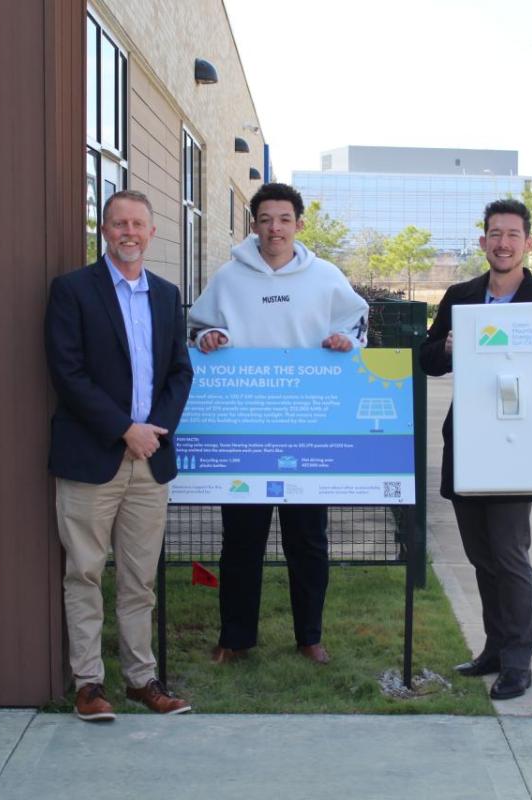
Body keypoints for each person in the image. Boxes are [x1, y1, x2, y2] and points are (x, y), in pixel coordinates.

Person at [188, 182, 369, 666]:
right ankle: (235, 638)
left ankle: (309, 635)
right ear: (254, 224)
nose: (275, 229)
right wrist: (209, 337)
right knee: (240, 542)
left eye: (284, 219)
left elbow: (358, 327)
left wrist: (344, 342)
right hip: (245, 432)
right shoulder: (228, 278)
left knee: (307, 541)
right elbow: (199, 327)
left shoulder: (326, 277)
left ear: (299, 224)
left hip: (308, 430)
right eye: (266, 219)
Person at [419, 198, 532, 700]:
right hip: (469, 444)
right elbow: (426, 359)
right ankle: (493, 649)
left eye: (513, 234)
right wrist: (445, 348)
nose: (503, 242)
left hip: (517, 447)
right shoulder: (460, 296)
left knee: (510, 556)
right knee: (481, 557)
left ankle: (518, 662)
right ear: (483, 241)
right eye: (495, 233)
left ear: (528, 243)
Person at [45, 190, 194, 721]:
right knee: (84, 572)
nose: (129, 232)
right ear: (103, 231)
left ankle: (141, 678)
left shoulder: (166, 294)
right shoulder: (71, 291)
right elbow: (68, 373)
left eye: (138, 224)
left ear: (152, 233)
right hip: (92, 459)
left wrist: (154, 432)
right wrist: (124, 429)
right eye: (118, 224)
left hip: (149, 461)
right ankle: (88, 684)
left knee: (140, 579)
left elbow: (180, 371)